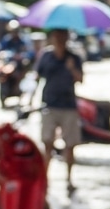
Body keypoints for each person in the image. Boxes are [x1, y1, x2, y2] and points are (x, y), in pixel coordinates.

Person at [34, 28, 84, 192]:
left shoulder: (74, 57)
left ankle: (69, 179)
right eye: (57, 36)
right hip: (49, 104)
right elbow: (37, 77)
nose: (60, 39)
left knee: (70, 145)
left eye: (63, 36)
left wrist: (71, 68)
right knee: (47, 144)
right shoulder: (46, 56)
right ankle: (44, 180)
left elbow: (81, 79)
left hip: (68, 105)